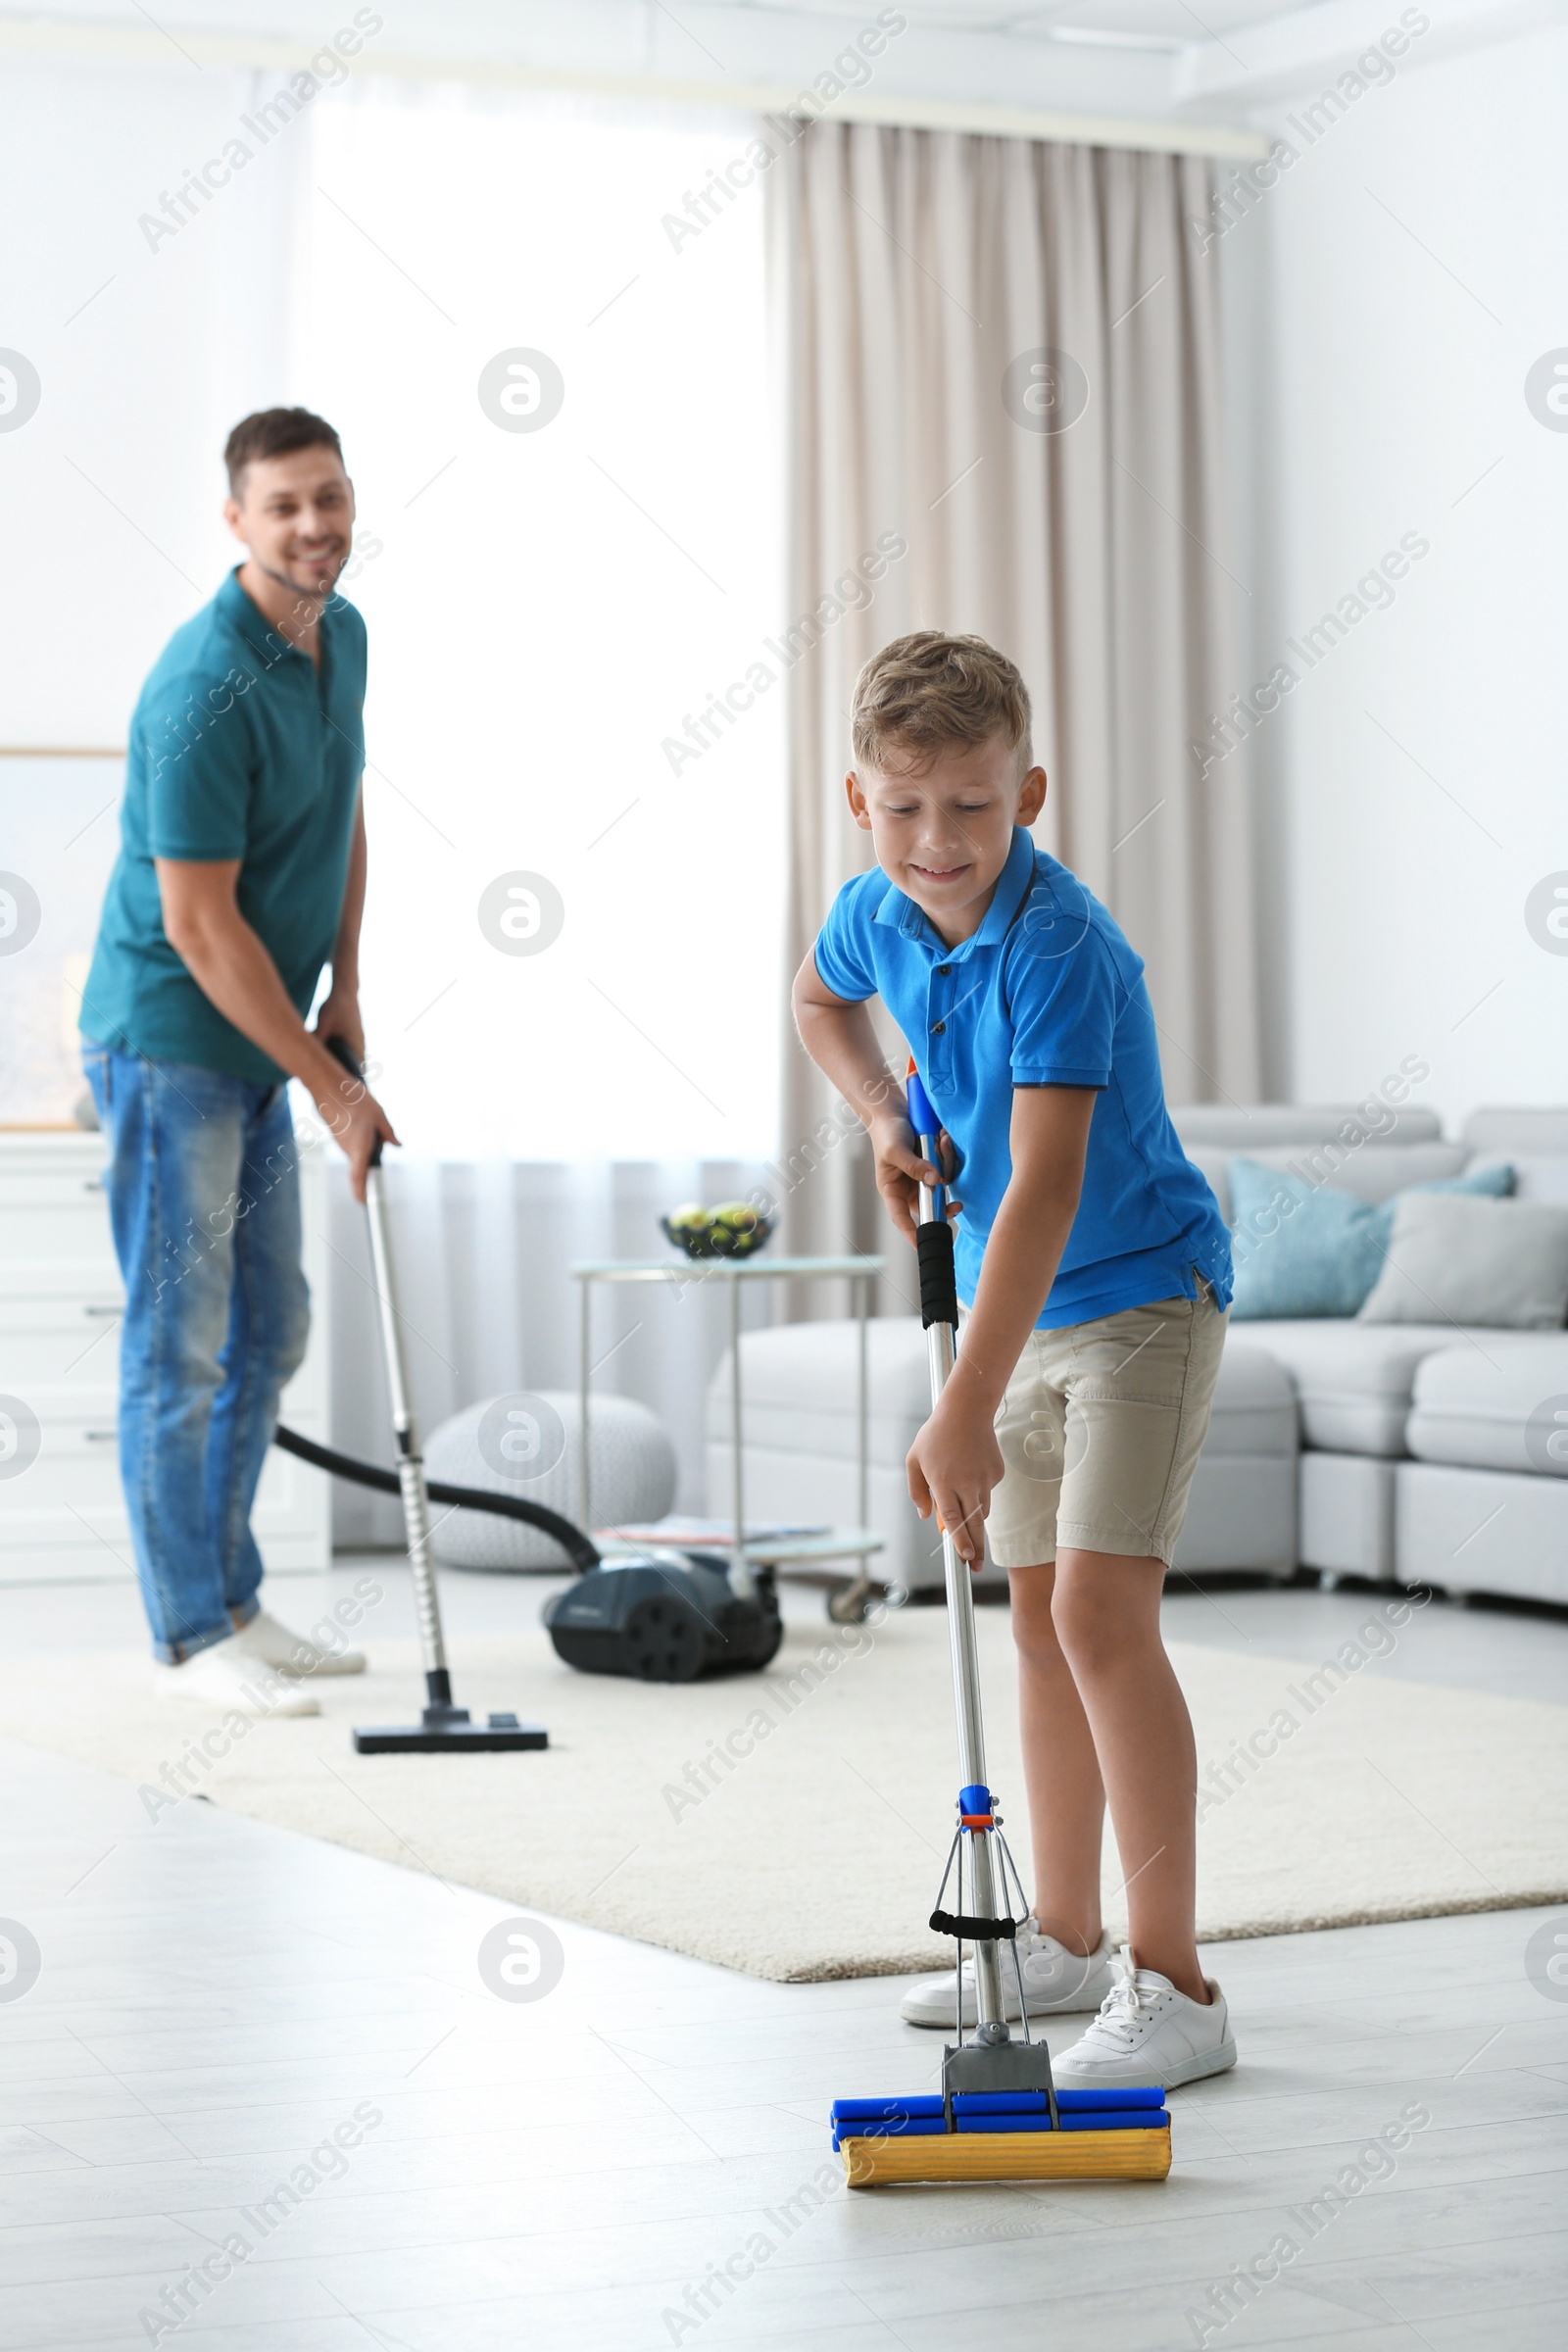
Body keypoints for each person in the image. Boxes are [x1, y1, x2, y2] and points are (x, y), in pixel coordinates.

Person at [792, 631, 1238, 2091]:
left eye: (973, 808)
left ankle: (1172, 1987)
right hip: (1015, 1307)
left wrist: (962, 1412)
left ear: (1028, 793)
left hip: (1137, 1302)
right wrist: (878, 1117)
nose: (941, 843)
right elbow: (818, 1003)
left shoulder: (1065, 951)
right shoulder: (877, 910)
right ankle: (1058, 1930)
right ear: (862, 802)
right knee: (1038, 1625)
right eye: (908, 809)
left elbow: (1043, 1191)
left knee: (1103, 1619)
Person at [79, 407, 396, 1717]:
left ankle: (237, 1604)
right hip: (173, 1044)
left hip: (267, 1035)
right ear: (236, 522)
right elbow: (202, 931)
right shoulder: (200, 689)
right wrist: (332, 1091)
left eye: (329, 497)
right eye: (284, 507)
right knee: (184, 1343)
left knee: (272, 1327)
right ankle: (189, 1634)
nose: (314, 525)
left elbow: (345, 812)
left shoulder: (343, 635)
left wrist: (350, 991)